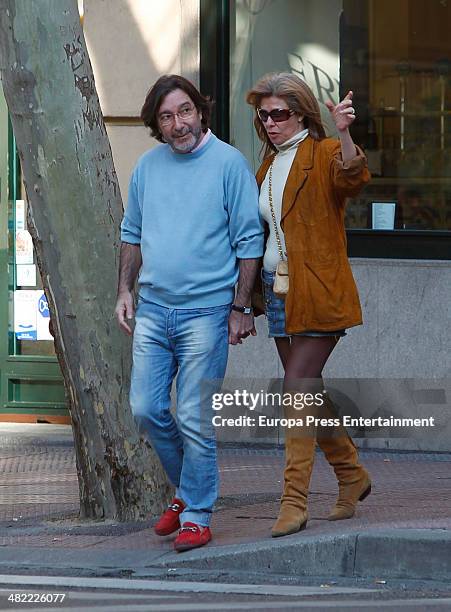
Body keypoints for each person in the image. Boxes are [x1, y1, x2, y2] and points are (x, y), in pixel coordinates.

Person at [115, 75, 263, 552]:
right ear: (156, 124)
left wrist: (240, 307)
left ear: (200, 111)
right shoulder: (147, 167)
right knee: (146, 408)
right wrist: (124, 291)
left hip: (207, 313)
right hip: (154, 310)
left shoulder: (228, 164)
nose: (177, 124)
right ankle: (188, 492)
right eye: (166, 116)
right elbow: (132, 233)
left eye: (184, 111)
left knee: (195, 417)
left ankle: (197, 513)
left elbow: (248, 241)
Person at [247, 72, 372, 537]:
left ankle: (294, 501)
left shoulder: (320, 154)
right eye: (264, 115)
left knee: (295, 391)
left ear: (301, 113)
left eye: (279, 113)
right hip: (277, 292)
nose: (271, 122)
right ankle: (351, 475)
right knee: (306, 395)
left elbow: (352, 177)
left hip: (317, 289)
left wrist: (343, 133)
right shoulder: (268, 165)